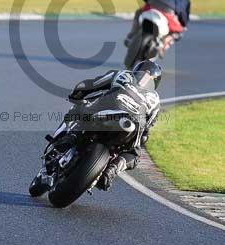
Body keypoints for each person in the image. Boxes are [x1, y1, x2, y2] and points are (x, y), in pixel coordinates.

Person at [39, 60, 162, 192]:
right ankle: (112, 170)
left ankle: (68, 139)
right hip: (130, 127)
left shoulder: (123, 75)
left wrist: (76, 95)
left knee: (78, 108)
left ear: (136, 69)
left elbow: (90, 85)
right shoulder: (156, 101)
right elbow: (146, 131)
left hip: (107, 112)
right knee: (135, 155)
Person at [125, 0, 192, 49]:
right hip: (168, 14)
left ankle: (131, 36)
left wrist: (149, 1)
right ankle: (164, 45)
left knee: (139, 12)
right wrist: (183, 25)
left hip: (150, 7)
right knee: (180, 31)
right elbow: (184, 18)